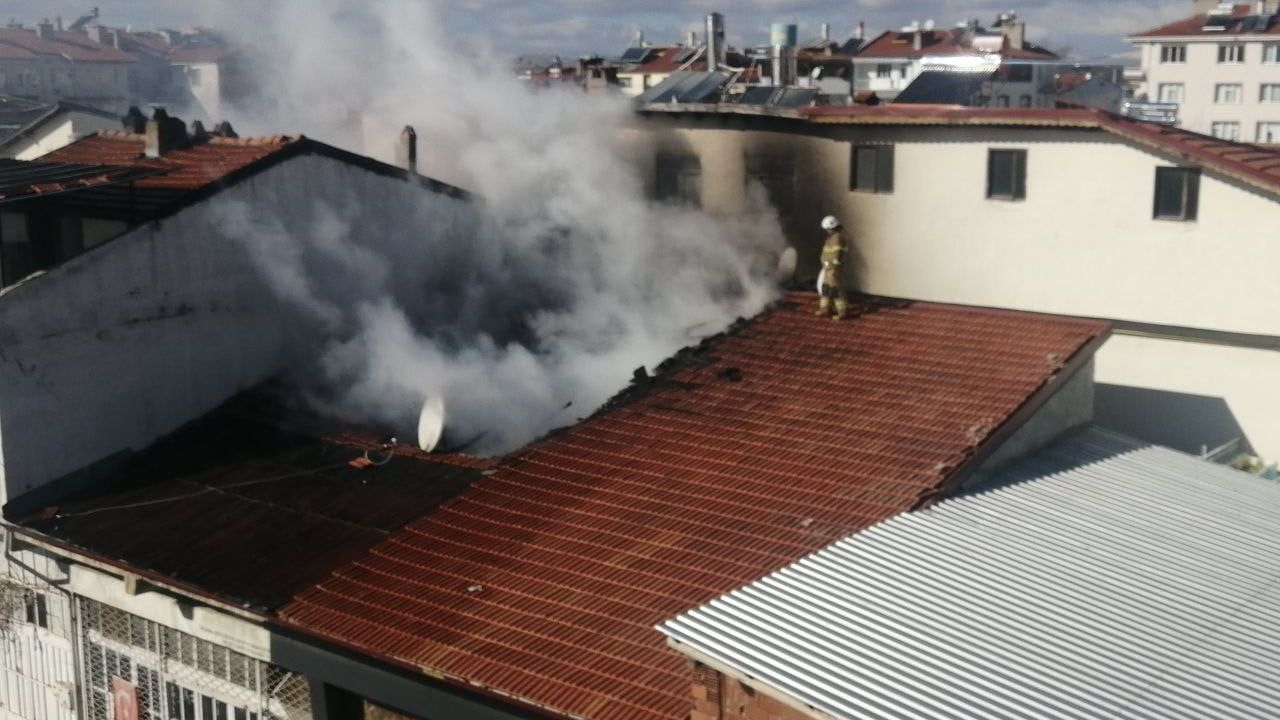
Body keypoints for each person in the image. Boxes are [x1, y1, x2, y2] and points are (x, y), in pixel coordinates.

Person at [816, 215, 848, 320]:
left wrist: (831, 266)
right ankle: (825, 309)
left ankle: (842, 312)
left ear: (831, 227)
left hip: (834, 268)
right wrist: (825, 264)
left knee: (835, 290)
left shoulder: (837, 238)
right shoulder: (831, 238)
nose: (826, 231)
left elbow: (837, 255)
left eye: (827, 229)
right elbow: (826, 253)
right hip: (828, 267)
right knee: (826, 288)